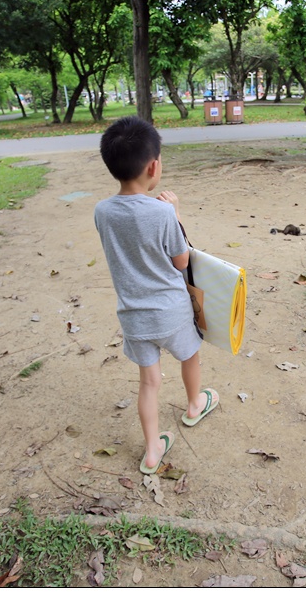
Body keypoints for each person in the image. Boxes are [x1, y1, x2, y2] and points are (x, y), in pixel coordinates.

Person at [94, 116, 220, 475]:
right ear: (154, 166)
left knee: (149, 383)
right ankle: (195, 404)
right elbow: (181, 260)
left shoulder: (102, 211)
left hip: (134, 315)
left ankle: (152, 452)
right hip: (171, 310)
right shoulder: (163, 212)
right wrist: (176, 214)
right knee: (190, 356)